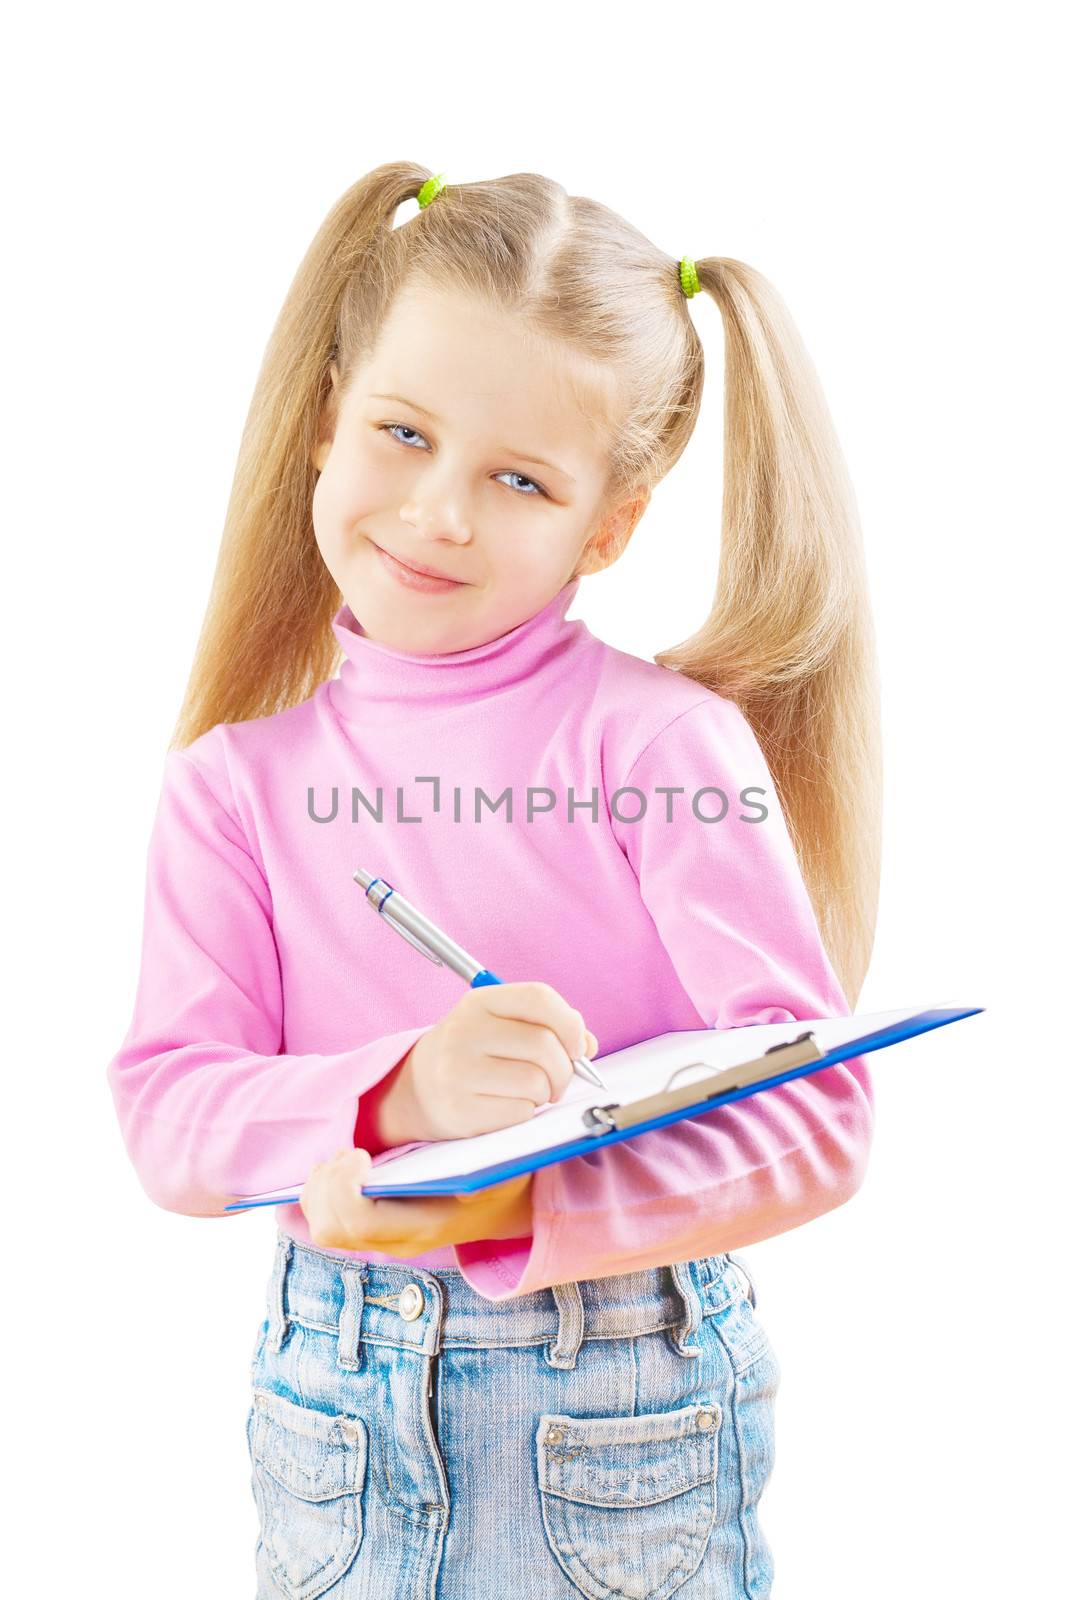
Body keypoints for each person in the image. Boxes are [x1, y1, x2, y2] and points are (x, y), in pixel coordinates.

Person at [107, 163, 881, 1599]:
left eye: (519, 478)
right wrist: (394, 1097)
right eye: (403, 434)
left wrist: (513, 1205)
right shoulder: (235, 784)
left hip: (621, 1401)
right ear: (328, 418)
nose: (440, 513)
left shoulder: (659, 745)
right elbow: (168, 1116)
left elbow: (820, 1114)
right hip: (331, 1405)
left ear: (610, 526)